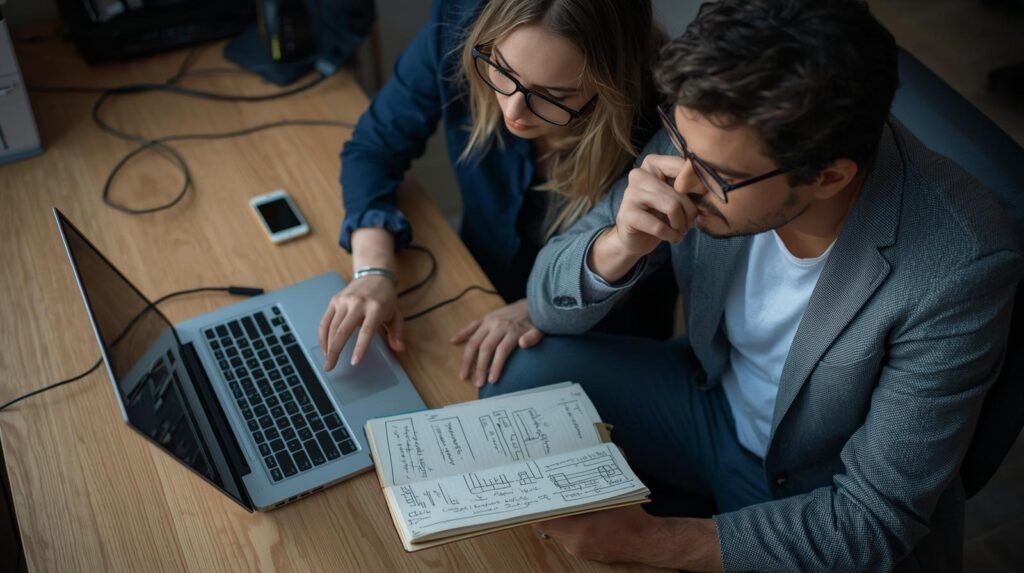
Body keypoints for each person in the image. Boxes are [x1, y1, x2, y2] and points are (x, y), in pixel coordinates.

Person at [482, 0, 1024, 571]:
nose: (682, 182)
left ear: (828, 177)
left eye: (717, 177)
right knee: (520, 376)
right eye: (678, 142)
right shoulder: (709, 129)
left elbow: (874, 520)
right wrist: (620, 243)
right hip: (710, 403)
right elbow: (548, 300)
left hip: (817, 487)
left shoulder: (959, 266)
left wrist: (649, 541)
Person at [319, 0, 675, 386]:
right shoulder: (459, 21)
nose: (514, 111)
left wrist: (539, 308)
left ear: (609, 89)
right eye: (503, 70)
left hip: (603, 329)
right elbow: (375, 146)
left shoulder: (667, 123)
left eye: (553, 96)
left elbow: (641, 255)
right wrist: (373, 270)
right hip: (476, 280)